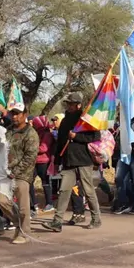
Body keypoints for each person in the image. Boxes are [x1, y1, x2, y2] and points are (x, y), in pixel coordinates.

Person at [45, 93, 102, 232]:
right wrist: (57, 161)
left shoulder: (86, 119)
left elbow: (96, 136)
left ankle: (96, 218)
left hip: (83, 160)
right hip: (68, 161)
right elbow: (60, 142)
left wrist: (77, 136)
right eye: (68, 103)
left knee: (88, 191)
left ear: (78, 105)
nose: (69, 106)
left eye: (72, 104)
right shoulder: (65, 121)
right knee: (64, 190)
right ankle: (57, 221)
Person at [0, 105, 38, 244]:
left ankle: (24, 233)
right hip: (7, 172)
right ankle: (18, 223)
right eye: (12, 113)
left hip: (23, 174)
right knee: (1, 200)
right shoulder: (8, 131)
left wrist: (15, 172)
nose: (14, 116)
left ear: (25, 114)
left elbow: (30, 156)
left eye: (17, 113)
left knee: (23, 205)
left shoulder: (30, 133)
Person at [113, 112, 134, 215]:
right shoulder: (121, 124)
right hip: (124, 155)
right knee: (119, 178)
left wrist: (131, 134)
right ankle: (123, 203)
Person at [31, 115, 56, 213]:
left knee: (45, 182)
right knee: (29, 181)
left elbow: (43, 148)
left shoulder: (47, 135)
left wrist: (31, 149)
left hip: (44, 162)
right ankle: (33, 203)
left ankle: (49, 204)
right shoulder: (36, 134)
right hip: (35, 161)